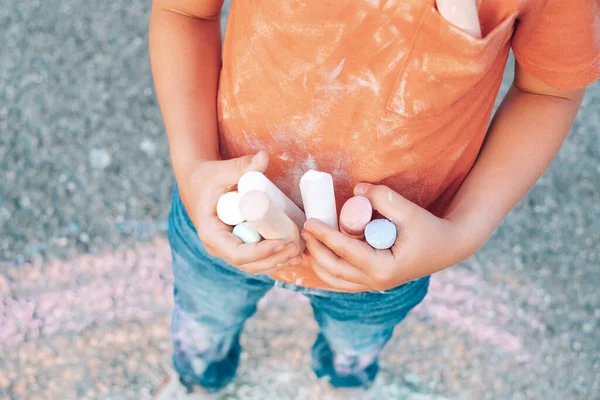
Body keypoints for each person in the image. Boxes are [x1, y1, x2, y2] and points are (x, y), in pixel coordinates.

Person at [149, 0, 599, 397]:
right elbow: (185, 10)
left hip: (387, 257)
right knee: (203, 322)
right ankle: (198, 380)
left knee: (354, 347)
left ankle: (341, 386)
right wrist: (192, 168)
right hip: (224, 211)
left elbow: (548, 92)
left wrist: (463, 232)